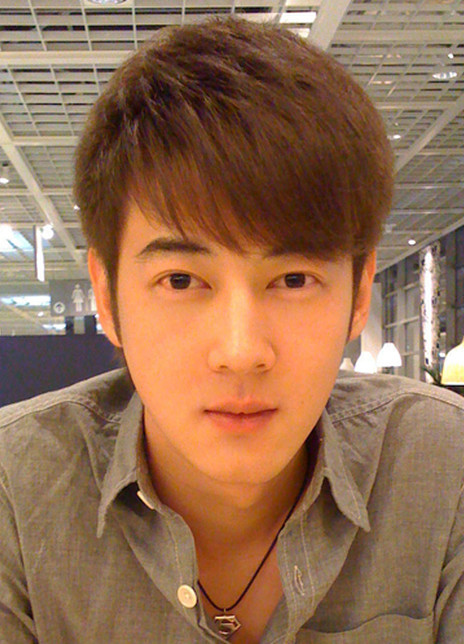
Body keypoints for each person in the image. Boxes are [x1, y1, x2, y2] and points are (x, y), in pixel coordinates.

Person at [0, 16, 462, 644]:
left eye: (293, 279)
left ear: (359, 294)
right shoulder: (17, 492)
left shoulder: (445, 470)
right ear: (106, 297)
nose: (241, 352)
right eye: (181, 280)